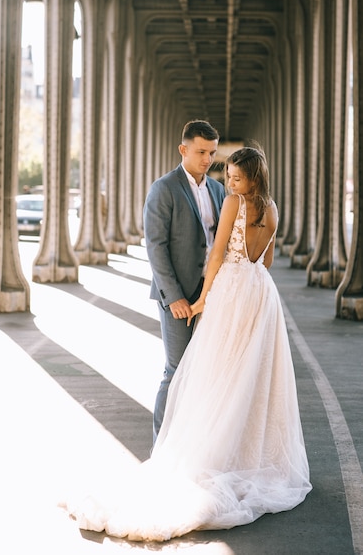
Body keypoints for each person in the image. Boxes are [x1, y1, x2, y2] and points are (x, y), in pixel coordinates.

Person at [62, 145, 312, 541]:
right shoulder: (273, 210)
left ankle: (212, 450)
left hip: (231, 289)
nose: (229, 182)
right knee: (252, 375)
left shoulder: (234, 203)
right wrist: (249, 272)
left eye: (235, 177)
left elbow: (215, 256)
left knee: (217, 372)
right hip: (261, 294)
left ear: (251, 179)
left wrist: (200, 299)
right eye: (227, 176)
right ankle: (248, 453)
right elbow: (265, 261)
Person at [142, 119, 226, 443]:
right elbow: (156, 246)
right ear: (184, 149)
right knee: (175, 371)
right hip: (177, 295)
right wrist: (173, 296)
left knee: (206, 372)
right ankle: (160, 448)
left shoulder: (219, 190)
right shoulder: (164, 188)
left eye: (212, 152)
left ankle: (192, 447)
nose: (208, 159)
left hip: (211, 294)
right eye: (202, 151)